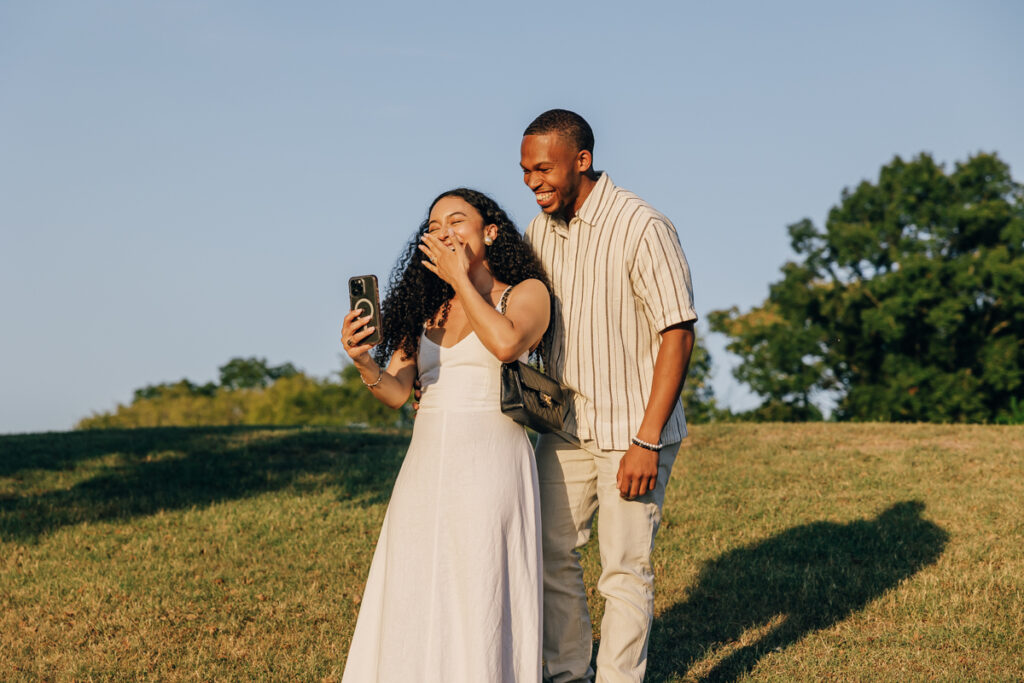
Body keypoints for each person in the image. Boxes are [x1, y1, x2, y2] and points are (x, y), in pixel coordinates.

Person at [340, 188, 552, 682]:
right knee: (415, 580)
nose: (443, 232)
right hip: (426, 460)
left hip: (491, 458)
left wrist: (462, 279)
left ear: (491, 232)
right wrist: (363, 360)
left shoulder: (524, 293)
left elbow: (505, 344)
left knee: (478, 582)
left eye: (457, 220)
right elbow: (397, 391)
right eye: (434, 227)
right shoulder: (426, 307)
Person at [519, 109, 697, 683]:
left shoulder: (643, 225)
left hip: (633, 433)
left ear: (582, 160)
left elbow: (678, 332)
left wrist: (647, 440)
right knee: (550, 555)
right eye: (525, 171)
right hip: (567, 425)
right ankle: (569, 674)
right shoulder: (537, 230)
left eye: (543, 168)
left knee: (624, 572)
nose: (533, 182)